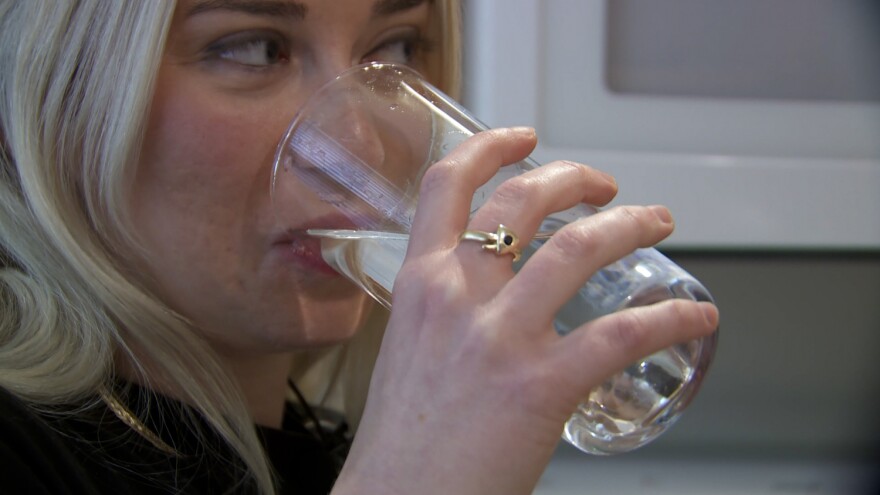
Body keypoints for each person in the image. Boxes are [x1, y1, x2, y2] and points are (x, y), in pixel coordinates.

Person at [0, 1, 718, 493]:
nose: (364, 144)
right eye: (254, 48)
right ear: (50, 95)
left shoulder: (325, 459)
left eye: (396, 47)